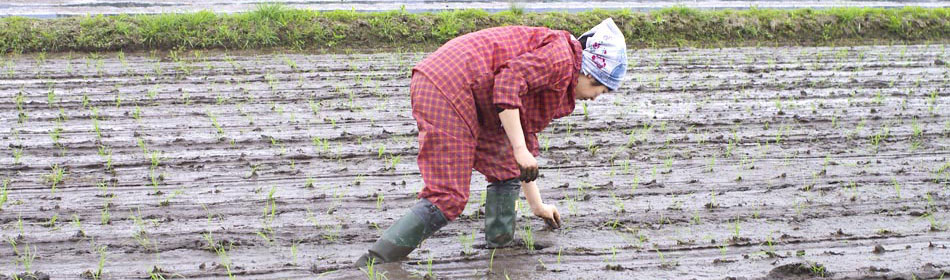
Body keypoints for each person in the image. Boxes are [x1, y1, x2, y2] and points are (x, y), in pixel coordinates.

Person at [356, 18, 627, 266]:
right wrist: (519, 149)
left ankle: (500, 249)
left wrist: (537, 206)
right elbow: (508, 83)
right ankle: (373, 264)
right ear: (590, 73)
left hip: (468, 90)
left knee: (507, 168)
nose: (594, 98)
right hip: (448, 84)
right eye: (599, 90)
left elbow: (521, 140)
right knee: (448, 196)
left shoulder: (561, 70)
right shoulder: (561, 59)